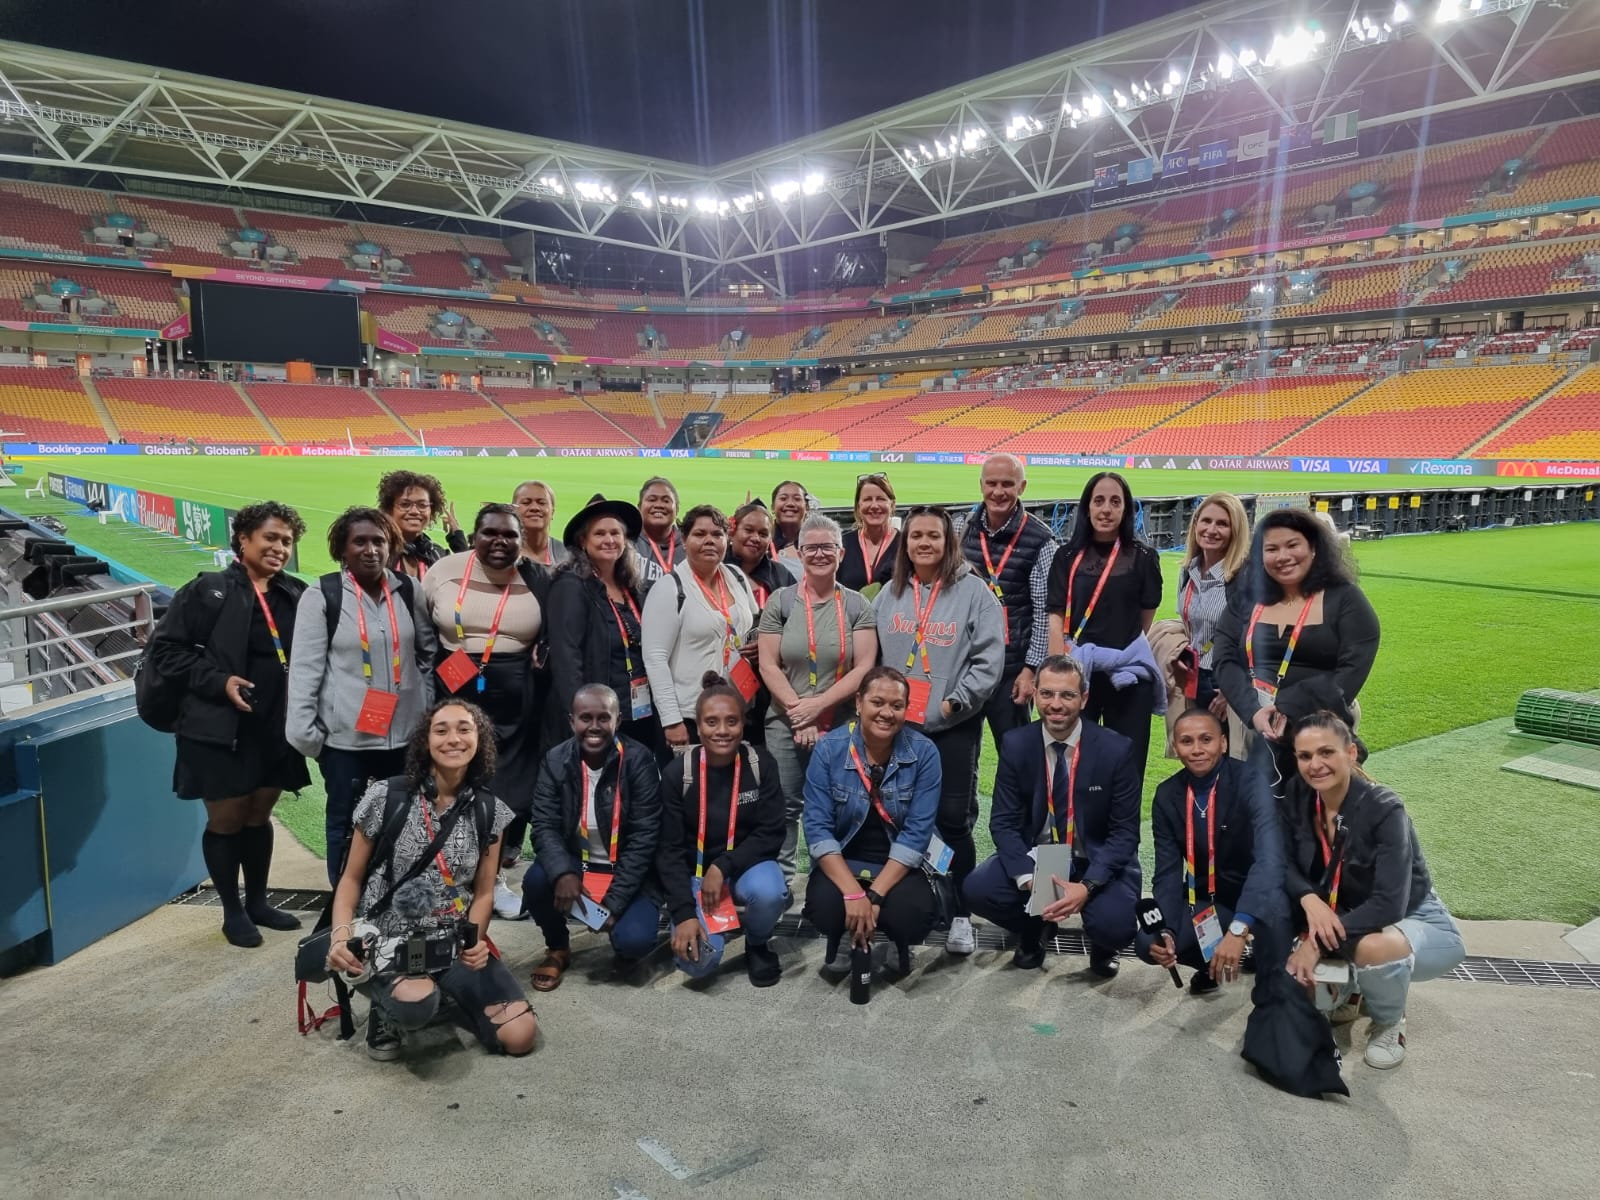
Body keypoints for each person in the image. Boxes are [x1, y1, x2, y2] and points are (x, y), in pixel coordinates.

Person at [323, 700, 536, 1060]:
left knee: (519, 1036)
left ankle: (446, 987)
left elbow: (484, 893)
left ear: (480, 741)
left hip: (450, 942)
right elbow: (350, 879)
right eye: (441, 730)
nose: (453, 738)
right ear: (425, 742)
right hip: (387, 942)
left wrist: (476, 941)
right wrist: (341, 935)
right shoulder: (386, 797)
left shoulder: (489, 810)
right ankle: (387, 1007)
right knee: (416, 1007)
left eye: (464, 729)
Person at [150, 501, 310, 948]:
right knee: (226, 820)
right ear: (244, 539)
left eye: (287, 541)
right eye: (271, 538)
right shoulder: (209, 590)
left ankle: (258, 901)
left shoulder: (295, 594)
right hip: (218, 729)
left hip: (274, 729)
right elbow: (166, 652)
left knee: (259, 816)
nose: (280, 548)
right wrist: (220, 682)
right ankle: (232, 911)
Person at [1282, 711, 1464, 1071]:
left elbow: (1388, 904)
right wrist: (1309, 899)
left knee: (1370, 948)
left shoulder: (1385, 808)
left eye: (1326, 752)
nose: (1315, 765)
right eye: (1305, 756)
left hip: (1412, 917)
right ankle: (1354, 986)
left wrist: (1315, 941)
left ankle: (1389, 1021)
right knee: (1302, 972)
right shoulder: (1299, 792)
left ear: (1350, 753)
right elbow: (1283, 861)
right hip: (1341, 910)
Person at [874, 505, 1004, 956]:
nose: (923, 543)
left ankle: (961, 914)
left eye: (933, 535)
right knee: (899, 819)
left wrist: (955, 701)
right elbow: (872, 657)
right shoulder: (888, 595)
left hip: (952, 728)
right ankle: (909, 907)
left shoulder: (974, 592)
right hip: (897, 730)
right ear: (904, 543)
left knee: (951, 822)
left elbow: (989, 660)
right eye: (915, 536)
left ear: (949, 541)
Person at [286, 507, 437, 886]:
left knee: (406, 821)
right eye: (360, 542)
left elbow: (427, 654)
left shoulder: (408, 590)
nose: (370, 550)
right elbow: (305, 668)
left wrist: (426, 710)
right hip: (345, 742)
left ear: (391, 547)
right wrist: (309, 736)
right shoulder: (323, 595)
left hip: (404, 737)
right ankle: (346, 907)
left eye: (379, 541)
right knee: (346, 823)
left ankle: (397, 899)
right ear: (343, 549)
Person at [965, 655, 1141, 976]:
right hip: (1043, 856)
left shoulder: (1116, 750)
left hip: (1094, 857)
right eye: (1047, 694)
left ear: (1084, 699)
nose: (1055, 704)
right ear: (1034, 694)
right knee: (978, 890)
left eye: (1067, 695)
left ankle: (1103, 944)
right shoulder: (1016, 744)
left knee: (1115, 925)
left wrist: (1086, 887)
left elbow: (1125, 834)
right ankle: (1038, 926)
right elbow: (1003, 821)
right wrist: (1028, 879)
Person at [420, 504, 551, 918]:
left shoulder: (535, 577)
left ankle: (491, 884)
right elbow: (424, 631)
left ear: (521, 539)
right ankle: (447, 880)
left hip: (515, 699)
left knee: (504, 791)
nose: (500, 542)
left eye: (509, 535)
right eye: (490, 533)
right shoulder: (444, 571)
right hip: (454, 688)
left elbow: (549, 630)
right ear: (474, 535)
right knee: (451, 785)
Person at [1211, 508, 1381, 793]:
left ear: (1313, 548)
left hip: (1319, 724)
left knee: (1315, 815)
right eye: (1271, 549)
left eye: (1293, 545)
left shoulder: (1345, 599)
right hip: (1252, 723)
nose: (1283, 556)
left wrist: (1288, 707)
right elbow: (1224, 658)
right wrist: (1254, 711)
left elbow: (1351, 669)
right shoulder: (1246, 599)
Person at [757, 513, 879, 885]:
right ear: (800, 552)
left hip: (841, 725)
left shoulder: (857, 604)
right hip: (786, 720)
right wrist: (801, 712)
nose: (820, 554)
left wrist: (818, 708)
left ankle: (830, 883)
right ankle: (781, 884)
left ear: (841, 554)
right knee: (786, 806)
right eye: (812, 547)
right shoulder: (781, 601)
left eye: (828, 547)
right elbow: (768, 663)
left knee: (837, 803)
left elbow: (864, 668)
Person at [801, 667, 942, 979]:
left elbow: (916, 835)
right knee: (824, 907)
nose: (886, 713)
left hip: (899, 863)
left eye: (897, 705)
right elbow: (817, 829)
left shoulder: (925, 754)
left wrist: (874, 896)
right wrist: (854, 895)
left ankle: (897, 939)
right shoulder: (829, 749)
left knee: (912, 914)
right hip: (844, 856)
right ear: (858, 703)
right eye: (877, 702)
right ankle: (841, 935)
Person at [1136, 708, 1287, 996]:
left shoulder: (1252, 782)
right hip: (1204, 897)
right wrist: (1166, 930)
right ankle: (1210, 963)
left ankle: (1264, 950)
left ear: (1224, 743)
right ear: (1175, 746)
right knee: (1148, 944)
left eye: (1206, 739)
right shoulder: (1168, 794)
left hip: (1257, 894)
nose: (1196, 750)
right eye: (1186, 741)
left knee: (1277, 985)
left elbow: (1269, 862)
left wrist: (1241, 927)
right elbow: (1167, 873)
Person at [522, 685, 663, 989]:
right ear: (571, 720)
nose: (595, 727)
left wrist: (613, 903)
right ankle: (558, 947)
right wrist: (562, 873)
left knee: (634, 943)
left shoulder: (639, 761)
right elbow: (544, 824)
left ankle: (622, 939)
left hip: (627, 870)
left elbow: (644, 838)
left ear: (619, 720)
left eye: (604, 717)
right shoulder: (555, 760)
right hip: (579, 863)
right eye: (586, 718)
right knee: (536, 880)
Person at [657, 674, 788, 986]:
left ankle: (756, 942)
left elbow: (771, 831)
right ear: (698, 726)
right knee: (699, 963)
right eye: (712, 722)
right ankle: (703, 926)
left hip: (743, 866)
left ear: (743, 724)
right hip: (694, 874)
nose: (722, 731)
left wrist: (722, 866)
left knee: (770, 893)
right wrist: (685, 913)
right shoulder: (679, 773)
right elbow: (668, 850)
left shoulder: (760, 764)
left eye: (732, 721)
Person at [1047, 471, 1164, 788]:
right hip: (1077, 674)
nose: (1106, 509)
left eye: (1116, 501)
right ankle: (1074, 833)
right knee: (1070, 762)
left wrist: (1115, 652)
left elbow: (1145, 616)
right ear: (1087, 507)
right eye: (1099, 501)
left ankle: (1123, 837)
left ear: (1126, 509)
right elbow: (1056, 615)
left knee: (1127, 766)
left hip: (1126, 675)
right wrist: (1058, 672)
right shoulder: (1067, 556)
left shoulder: (1143, 558)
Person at [544, 494, 665, 761]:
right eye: (599, 534)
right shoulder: (571, 585)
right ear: (583, 542)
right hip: (596, 717)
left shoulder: (632, 587)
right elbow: (567, 656)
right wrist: (582, 716)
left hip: (636, 710)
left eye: (615, 533)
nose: (609, 540)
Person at [958, 453, 1059, 752]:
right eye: (991, 483)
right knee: (961, 753)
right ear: (981, 485)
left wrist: (1031, 669)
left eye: (1007, 484)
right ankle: (967, 803)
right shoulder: (962, 529)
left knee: (1016, 755)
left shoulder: (1041, 541)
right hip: (966, 664)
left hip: (1011, 671)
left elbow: (1044, 613)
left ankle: (1022, 802)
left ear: (1022, 487)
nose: (998, 492)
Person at [641, 504, 761, 752]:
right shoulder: (669, 588)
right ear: (684, 540)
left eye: (717, 534)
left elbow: (752, 624)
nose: (709, 541)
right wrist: (671, 720)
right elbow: (655, 659)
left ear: (727, 540)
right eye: (700, 534)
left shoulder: (736, 577)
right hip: (690, 715)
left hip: (737, 709)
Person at [378, 470, 465, 578]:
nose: (414, 511)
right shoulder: (377, 554)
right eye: (405, 504)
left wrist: (460, 546)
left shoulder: (438, 555)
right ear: (389, 510)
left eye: (422, 505)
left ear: (431, 512)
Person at [726, 499, 795, 610]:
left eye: (763, 534)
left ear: (770, 540)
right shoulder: (714, 569)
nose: (756, 538)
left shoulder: (781, 574)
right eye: (748, 530)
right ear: (732, 532)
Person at [836, 473, 898, 595]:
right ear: (858, 507)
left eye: (881, 499)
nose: (874, 505)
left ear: (892, 505)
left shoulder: (906, 546)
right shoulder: (841, 544)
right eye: (867, 499)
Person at [635, 475, 684, 589]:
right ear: (639, 507)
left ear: (677, 509)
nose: (658, 505)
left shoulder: (689, 545)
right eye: (652, 500)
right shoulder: (626, 543)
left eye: (666, 501)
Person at [512, 479, 569, 567]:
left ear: (552, 512)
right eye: (526, 503)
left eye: (542, 503)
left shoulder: (566, 556)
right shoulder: (502, 554)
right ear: (514, 510)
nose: (534, 508)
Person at [770, 479, 809, 554]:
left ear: (807, 507)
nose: (790, 503)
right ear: (772, 507)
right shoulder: (762, 540)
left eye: (797, 499)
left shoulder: (816, 540)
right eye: (783, 498)